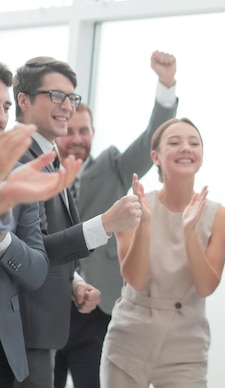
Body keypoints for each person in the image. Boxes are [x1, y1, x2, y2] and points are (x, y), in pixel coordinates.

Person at [13, 56, 142, 388]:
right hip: (23, 331)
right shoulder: (19, 162)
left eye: (72, 98)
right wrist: (106, 223)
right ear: (23, 101)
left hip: (43, 330)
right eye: (56, 95)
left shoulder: (50, 160)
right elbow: (31, 248)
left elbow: (36, 242)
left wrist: (72, 285)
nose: (67, 106)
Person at [53, 50, 178, 388]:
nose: (78, 139)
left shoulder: (112, 167)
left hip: (97, 310)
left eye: (85, 131)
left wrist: (166, 85)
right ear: (57, 130)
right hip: (49, 306)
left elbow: (154, 133)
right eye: (70, 131)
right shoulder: (36, 177)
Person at [100, 118, 225, 387]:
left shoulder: (221, 216)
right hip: (129, 339)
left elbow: (206, 286)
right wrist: (146, 223)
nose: (186, 148)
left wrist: (189, 232)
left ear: (201, 156)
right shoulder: (133, 207)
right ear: (155, 157)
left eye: (193, 143)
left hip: (186, 348)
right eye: (174, 143)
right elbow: (134, 279)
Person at [0, 63, 79, 386]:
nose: (1, 118)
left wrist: (2, 238)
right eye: (57, 95)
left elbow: (36, 269)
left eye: (3, 107)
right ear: (26, 101)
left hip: (7, 355)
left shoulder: (17, 174)